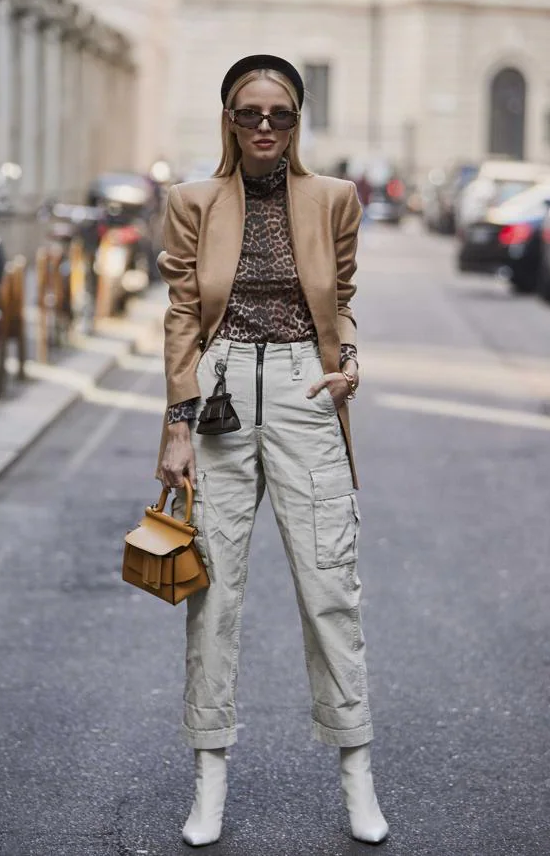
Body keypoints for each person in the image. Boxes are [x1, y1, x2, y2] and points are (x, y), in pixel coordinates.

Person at [157, 54, 388, 847]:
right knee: (211, 596)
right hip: (218, 393)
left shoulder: (335, 199)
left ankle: (357, 772)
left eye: (279, 115)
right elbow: (183, 316)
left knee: (331, 587)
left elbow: (344, 303)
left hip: (303, 390)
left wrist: (347, 363)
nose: (264, 127)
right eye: (250, 113)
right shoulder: (192, 201)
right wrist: (176, 425)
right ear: (229, 119)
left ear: (297, 123)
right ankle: (209, 777)